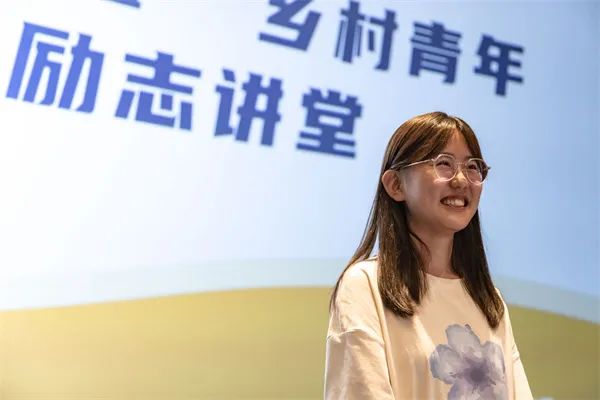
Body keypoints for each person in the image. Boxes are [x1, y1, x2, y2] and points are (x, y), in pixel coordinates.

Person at [324, 112, 532, 399]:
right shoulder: (365, 285)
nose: (462, 180)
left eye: (473, 167)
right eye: (444, 163)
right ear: (395, 185)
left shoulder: (488, 300)